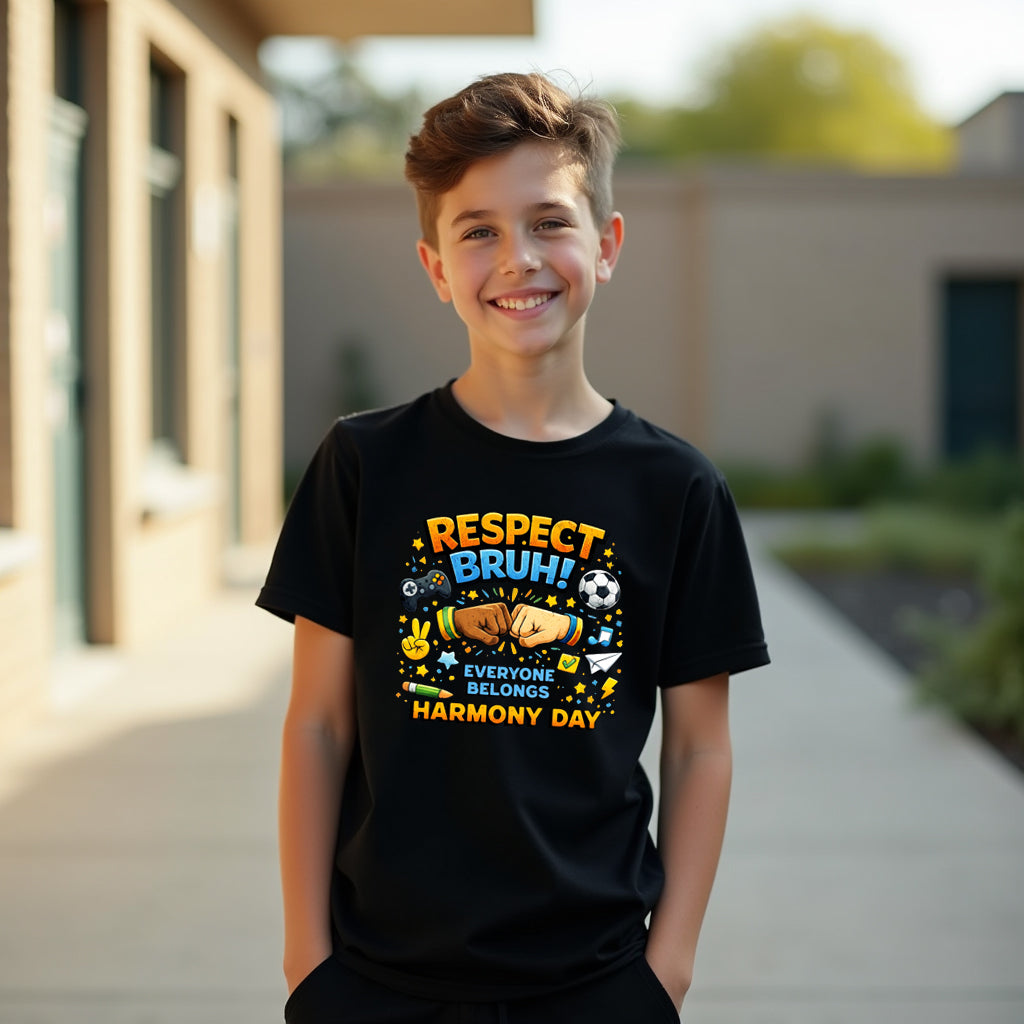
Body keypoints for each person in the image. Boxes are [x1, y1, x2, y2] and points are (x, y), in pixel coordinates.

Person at [257, 71, 770, 1024]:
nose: (517, 259)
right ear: (435, 266)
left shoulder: (676, 489)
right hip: (377, 978)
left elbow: (701, 746)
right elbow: (317, 724)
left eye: (549, 222)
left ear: (606, 245)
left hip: (596, 980)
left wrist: (667, 971)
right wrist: (307, 964)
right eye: (478, 231)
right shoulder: (365, 464)